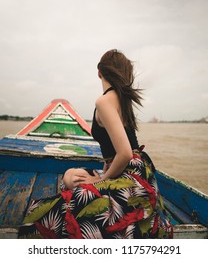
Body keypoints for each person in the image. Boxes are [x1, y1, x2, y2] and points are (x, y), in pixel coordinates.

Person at [18, 49, 172, 239]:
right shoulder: (123, 99)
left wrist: (102, 178)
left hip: (129, 174)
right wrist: (104, 173)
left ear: (99, 71)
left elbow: (123, 153)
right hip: (142, 173)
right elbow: (123, 151)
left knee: (45, 212)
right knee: (71, 177)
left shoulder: (104, 101)